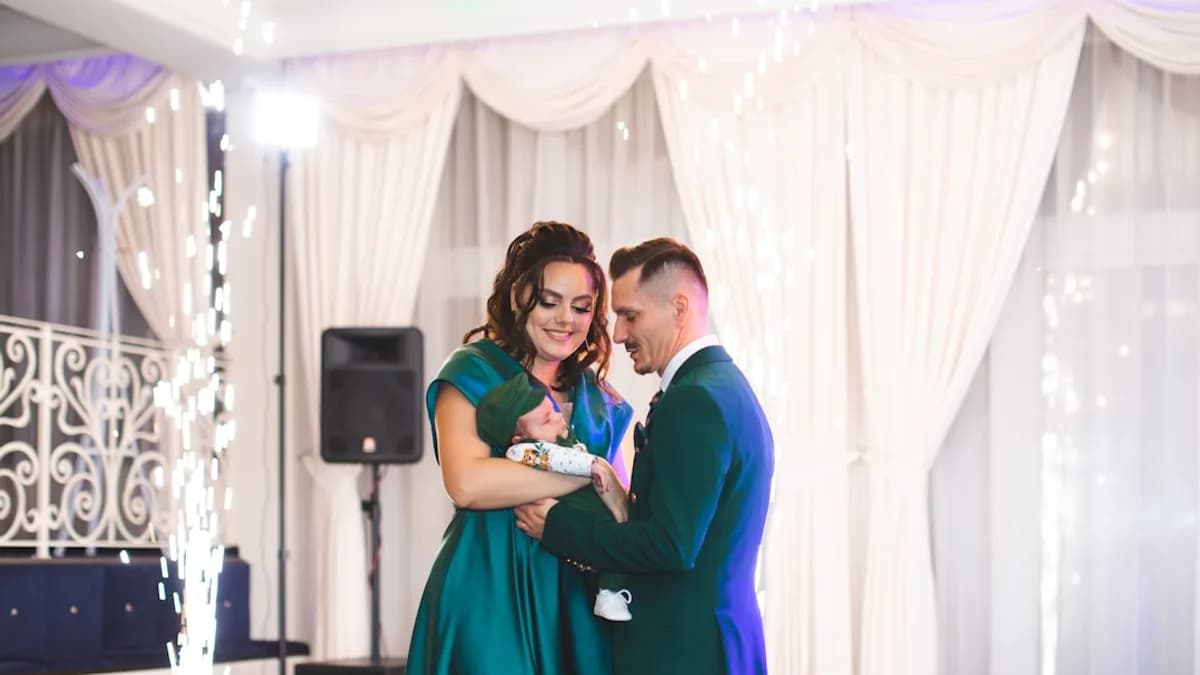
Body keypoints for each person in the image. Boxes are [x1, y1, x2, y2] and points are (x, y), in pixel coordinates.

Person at [515, 238, 774, 675]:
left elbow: (671, 546)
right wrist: (625, 503)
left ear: (678, 308)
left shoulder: (695, 401)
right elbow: (693, 524)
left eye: (630, 316)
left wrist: (556, 525)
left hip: (685, 652)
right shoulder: (723, 385)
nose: (617, 335)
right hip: (716, 641)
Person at [406, 221, 634, 674]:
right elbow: (467, 483)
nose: (565, 320)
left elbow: (620, 509)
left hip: (577, 597)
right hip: (489, 587)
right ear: (516, 297)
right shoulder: (472, 371)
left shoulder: (600, 397)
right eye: (549, 302)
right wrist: (587, 472)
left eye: (582, 307)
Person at [474, 372, 634, 621]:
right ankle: (609, 593)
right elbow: (558, 459)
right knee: (609, 537)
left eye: (553, 410)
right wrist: (590, 465)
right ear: (518, 437)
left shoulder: (556, 436)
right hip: (578, 503)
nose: (559, 417)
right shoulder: (524, 450)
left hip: (588, 496)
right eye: (548, 419)